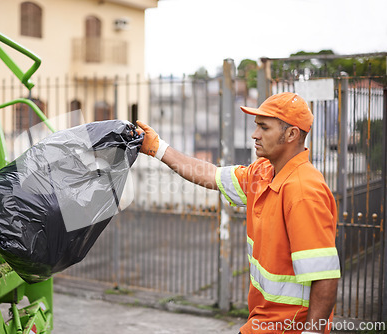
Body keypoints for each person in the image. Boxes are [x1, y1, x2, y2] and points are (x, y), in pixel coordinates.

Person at [136, 92, 341, 334]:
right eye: (256, 127)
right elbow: (210, 174)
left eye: (264, 128)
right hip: (263, 322)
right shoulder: (263, 172)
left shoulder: (303, 191)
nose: (254, 135)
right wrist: (158, 148)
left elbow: (325, 277)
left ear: (292, 134)